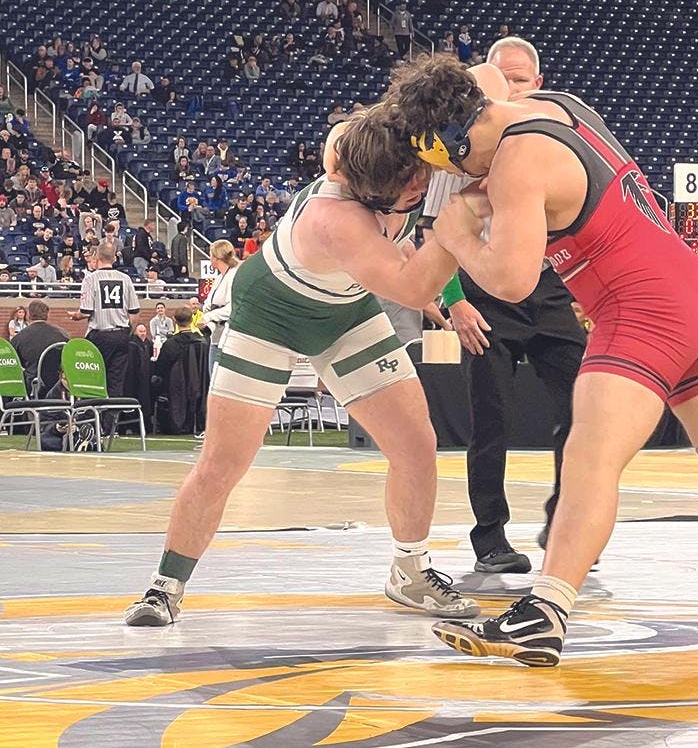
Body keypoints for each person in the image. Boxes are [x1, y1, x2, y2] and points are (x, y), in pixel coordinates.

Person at [353, 56, 698, 665]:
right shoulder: (556, 108)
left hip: (643, 309)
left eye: (450, 164)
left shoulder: (514, 166)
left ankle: (545, 612)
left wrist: (456, 236)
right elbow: (488, 91)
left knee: (588, 459)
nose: (459, 178)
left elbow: (512, 281)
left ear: (453, 138)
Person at [122, 109, 479, 628]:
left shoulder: (366, 145)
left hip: (345, 311)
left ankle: (410, 569)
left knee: (417, 445)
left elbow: (356, 139)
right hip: (269, 314)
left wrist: (454, 295)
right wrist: (459, 229)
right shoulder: (337, 220)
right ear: (373, 190)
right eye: (410, 184)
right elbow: (414, 284)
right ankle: (165, 586)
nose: (422, 184)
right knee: (223, 464)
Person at [418, 37, 587, 572]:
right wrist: (454, 303)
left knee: (586, 405)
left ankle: (566, 514)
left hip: (549, 284)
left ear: (536, 85)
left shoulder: (554, 139)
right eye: (499, 79)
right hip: (483, 290)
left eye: (518, 79)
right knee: (490, 420)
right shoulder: (461, 152)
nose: (510, 88)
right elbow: (435, 233)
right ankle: (489, 536)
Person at [67, 242, 140, 402]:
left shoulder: (90, 279)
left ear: (97, 257)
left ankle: (91, 420)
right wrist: (127, 333)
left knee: (93, 381)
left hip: (99, 336)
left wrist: (75, 316)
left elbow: (85, 311)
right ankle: (110, 424)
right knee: (116, 383)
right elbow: (134, 313)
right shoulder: (125, 279)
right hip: (121, 335)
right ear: (114, 258)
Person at [198, 240, 240, 377]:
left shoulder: (234, 275)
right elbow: (208, 302)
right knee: (212, 379)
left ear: (216, 257)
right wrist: (207, 311)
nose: (209, 258)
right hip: (215, 336)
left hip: (228, 337)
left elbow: (232, 308)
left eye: (210, 255)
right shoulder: (219, 277)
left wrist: (209, 316)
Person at [11, 301, 69, 392]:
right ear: (47, 315)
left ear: (29, 315)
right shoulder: (63, 335)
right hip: (59, 387)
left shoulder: (19, 338)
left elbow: (14, 365)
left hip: (32, 386)